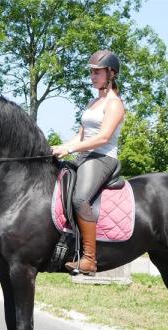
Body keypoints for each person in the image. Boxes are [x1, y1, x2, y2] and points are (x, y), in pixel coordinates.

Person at [51, 50, 125, 275]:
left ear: (110, 74)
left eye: (97, 72)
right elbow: (81, 136)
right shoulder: (94, 102)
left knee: (81, 197)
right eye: (91, 72)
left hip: (103, 158)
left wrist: (71, 149)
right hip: (85, 155)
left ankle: (90, 259)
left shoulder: (114, 104)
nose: (92, 76)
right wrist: (60, 147)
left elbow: (102, 138)